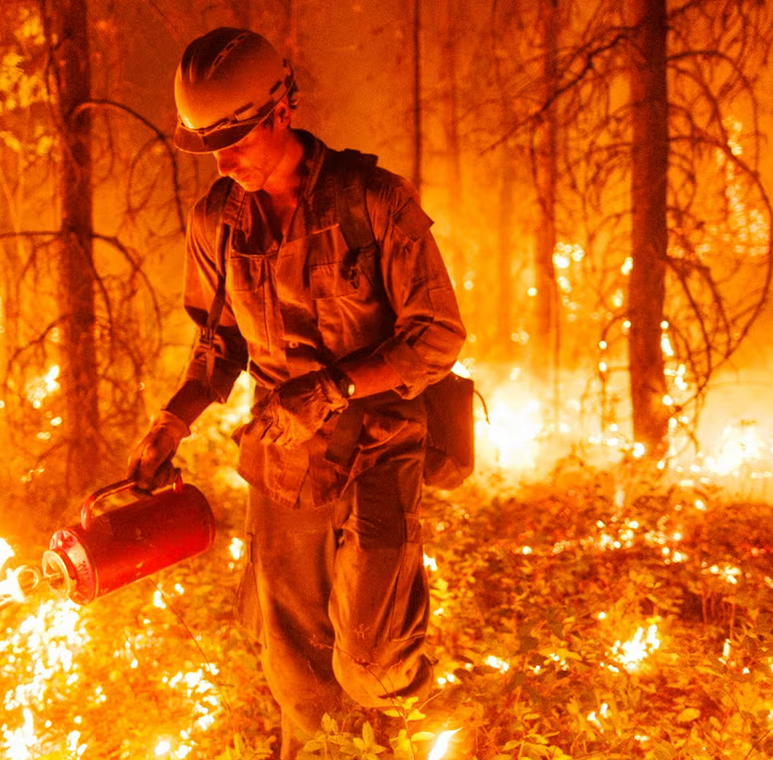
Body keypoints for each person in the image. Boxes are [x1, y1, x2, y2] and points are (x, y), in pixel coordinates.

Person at [126, 27, 466, 758]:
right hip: (283, 463)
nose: (225, 160)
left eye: (238, 136)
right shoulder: (217, 221)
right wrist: (172, 420)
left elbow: (438, 336)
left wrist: (336, 386)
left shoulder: (375, 201)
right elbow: (219, 344)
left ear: (284, 109)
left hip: (379, 446)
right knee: (297, 675)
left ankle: (441, 724)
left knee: (373, 664)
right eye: (210, 144)